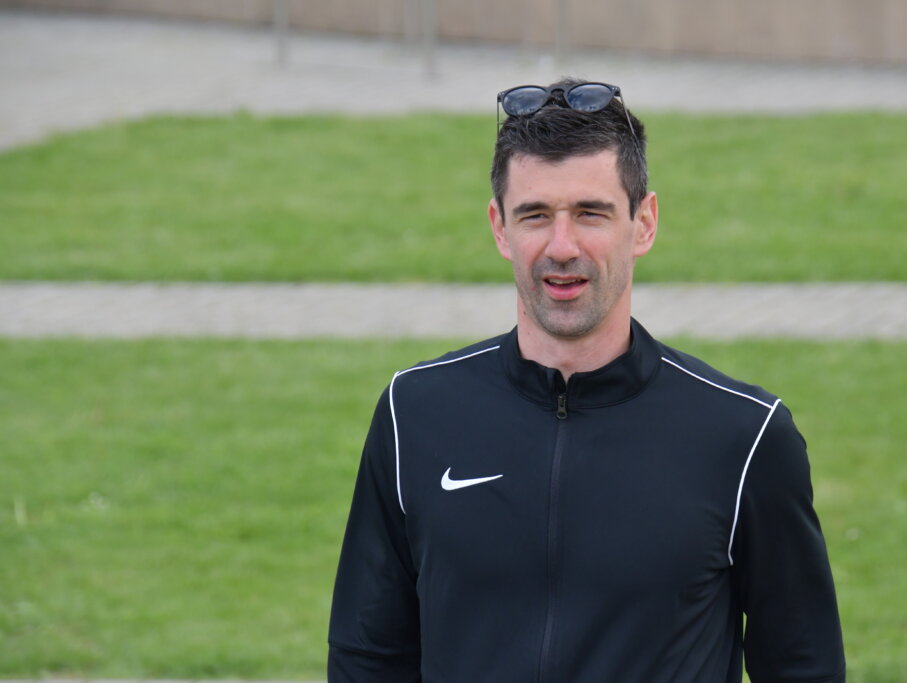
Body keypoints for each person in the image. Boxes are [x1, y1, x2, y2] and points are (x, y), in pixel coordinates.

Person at [327, 78, 845, 682]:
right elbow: (367, 658)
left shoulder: (744, 437)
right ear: (500, 228)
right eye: (535, 215)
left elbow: (804, 668)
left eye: (590, 214)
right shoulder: (414, 413)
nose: (562, 246)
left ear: (644, 223)